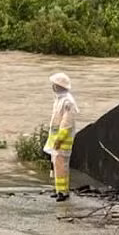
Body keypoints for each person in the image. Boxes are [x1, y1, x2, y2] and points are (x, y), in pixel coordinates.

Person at [43, 72, 80, 202]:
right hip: (56, 140)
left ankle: (63, 192)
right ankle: (59, 190)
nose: (53, 87)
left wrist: (60, 139)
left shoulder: (67, 102)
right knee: (56, 166)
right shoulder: (60, 100)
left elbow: (66, 123)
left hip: (63, 141)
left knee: (61, 167)